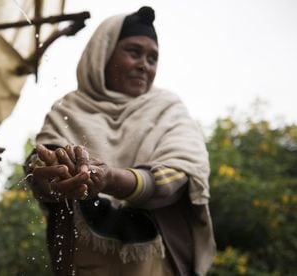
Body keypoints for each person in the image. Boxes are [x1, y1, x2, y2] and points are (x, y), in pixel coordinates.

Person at [25, 6, 216, 276]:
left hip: (154, 266)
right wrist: (57, 174)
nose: (144, 65)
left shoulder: (168, 109)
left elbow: (178, 176)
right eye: (134, 52)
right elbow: (42, 174)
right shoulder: (68, 109)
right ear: (103, 54)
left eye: (152, 58)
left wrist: (109, 179)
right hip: (81, 265)